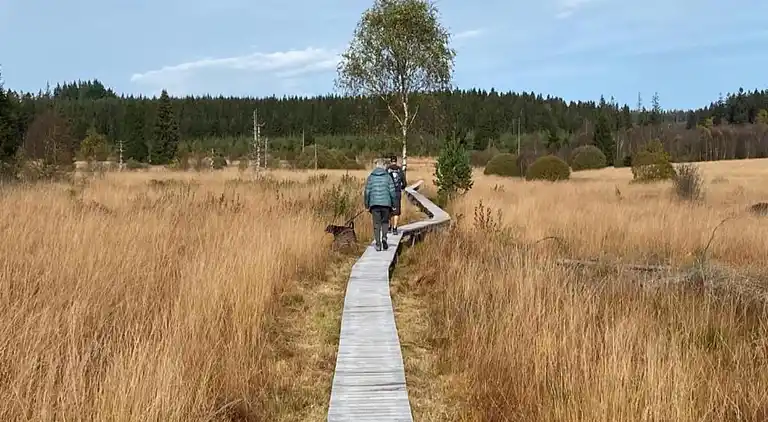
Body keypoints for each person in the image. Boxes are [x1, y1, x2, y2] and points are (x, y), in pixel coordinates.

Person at [364, 158, 397, 251]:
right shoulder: (388, 177)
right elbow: (392, 192)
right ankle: (384, 237)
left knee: (376, 224)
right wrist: (394, 204)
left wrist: (366, 205)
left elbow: (367, 192)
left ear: (376, 166)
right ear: (384, 166)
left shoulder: (371, 177)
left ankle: (378, 244)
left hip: (374, 204)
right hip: (386, 204)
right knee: (385, 222)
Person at [386, 155, 406, 234]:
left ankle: (388, 227)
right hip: (397, 193)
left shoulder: (387, 170)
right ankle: (395, 228)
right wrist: (401, 187)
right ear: (396, 161)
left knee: (388, 210)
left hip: (388, 193)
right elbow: (404, 183)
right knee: (396, 211)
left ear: (390, 161)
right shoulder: (400, 170)